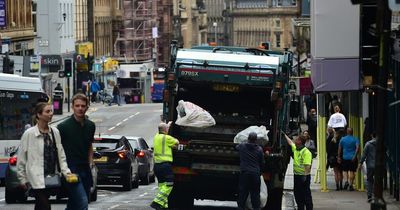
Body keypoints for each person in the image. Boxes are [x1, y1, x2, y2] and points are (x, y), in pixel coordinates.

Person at [16, 102, 71, 210]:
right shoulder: (29, 134)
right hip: (35, 178)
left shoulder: (55, 132)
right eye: (47, 111)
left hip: (50, 178)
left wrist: (66, 172)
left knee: (40, 206)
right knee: (45, 206)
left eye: (51, 111)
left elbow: (61, 154)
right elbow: (21, 158)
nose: (51, 114)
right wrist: (22, 178)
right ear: (39, 115)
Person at [57, 93, 96, 210]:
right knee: (82, 202)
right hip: (70, 169)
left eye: (83, 106)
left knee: (75, 202)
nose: (80, 108)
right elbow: (58, 149)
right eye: (77, 105)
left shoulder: (91, 125)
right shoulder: (63, 127)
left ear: (87, 107)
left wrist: (91, 162)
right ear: (72, 107)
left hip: (85, 168)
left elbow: (89, 145)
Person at [150, 122, 179, 210]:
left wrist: (167, 125)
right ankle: (157, 202)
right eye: (167, 129)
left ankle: (163, 206)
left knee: (162, 186)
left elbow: (161, 130)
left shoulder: (156, 137)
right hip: (165, 166)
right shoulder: (167, 138)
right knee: (169, 184)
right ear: (166, 130)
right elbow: (177, 142)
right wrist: (173, 146)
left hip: (157, 166)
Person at [283, 132, 313, 210]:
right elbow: (290, 142)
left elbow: (307, 166)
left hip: (304, 177)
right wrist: (284, 135)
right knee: (297, 194)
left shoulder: (306, 152)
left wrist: (305, 177)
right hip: (297, 176)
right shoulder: (296, 149)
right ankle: (300, 208)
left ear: (300, 142)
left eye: (297, 140)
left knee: (306, 195)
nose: (295, 141)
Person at [236, 132, 265, 210]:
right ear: (256, 140)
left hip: (245, 173)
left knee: (243, 193)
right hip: (255, 174)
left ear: (248, 138)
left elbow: (237, 146)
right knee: (255, 194)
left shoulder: (242, 147)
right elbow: (262, 162)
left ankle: (241, 208)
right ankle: (256, 208)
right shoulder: (259, 149)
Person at [358, 132, 376, 202]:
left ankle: (369, 195)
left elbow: (364, 155)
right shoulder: (381, 143)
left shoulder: (368, 144)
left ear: (372, 135)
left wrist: (360, 163)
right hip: (378, 165)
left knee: (369, 180)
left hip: (370, 165)